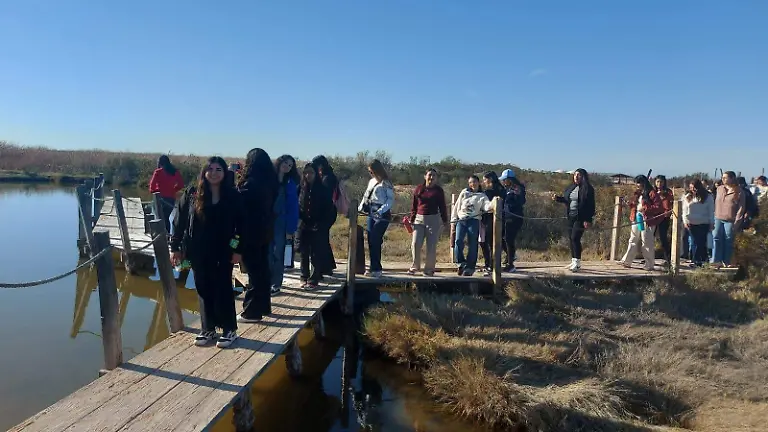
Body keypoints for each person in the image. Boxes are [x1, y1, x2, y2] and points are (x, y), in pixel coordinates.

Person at [171, 157, 243, 348]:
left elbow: (242, 226)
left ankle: (229, 330)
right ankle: (208, 328)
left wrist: (238, 249)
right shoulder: (192, 194)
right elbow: (179, 223)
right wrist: (175, 247)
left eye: (218, 169)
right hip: (197, 250)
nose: (213, 172)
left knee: (223, 289)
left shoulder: (233, 196)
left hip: (223, 251)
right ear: (204, 172)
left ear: (224, 173)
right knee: (203, 289)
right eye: (209, 169)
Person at [237, 148, 278, 323]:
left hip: (250, 232)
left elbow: (239, 204)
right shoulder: (270, 181)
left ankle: (252, 311)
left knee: (254, 272)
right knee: (262, 270)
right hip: (265, 230)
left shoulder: (250, 183)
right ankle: (263, 306)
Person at [297, 164, 334, 289]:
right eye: (306, 173)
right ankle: (304, 276)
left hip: (318, 225)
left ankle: (314, 278)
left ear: (316, 174)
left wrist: (322, 225)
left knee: (316, 253)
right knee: (303, 251)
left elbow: (329, 210)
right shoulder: (301, 188)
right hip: (303, 225)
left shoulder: (323, 190)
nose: (308, 175)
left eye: (311, 173)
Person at [551, 168, 595, 272]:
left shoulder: (588, 189)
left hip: (581, 218)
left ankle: (577, 262)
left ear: (583, 176)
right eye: (575, 175)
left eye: (578, 175)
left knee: (575, 238)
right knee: (571, 238)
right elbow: (567, 200)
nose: (576, 177)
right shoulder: (571, 187)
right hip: (571, 216)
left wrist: (588, 219)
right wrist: (558, 198)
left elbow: (591, 206)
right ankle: (573, 260)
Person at [407, 168, 448, 276]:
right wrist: (412, 218)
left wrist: (445, 221)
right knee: (415, 243)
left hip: (433, 219)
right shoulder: (419, 189)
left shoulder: (438, 190)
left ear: (436, 178)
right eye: (429, 175)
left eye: (434, 175)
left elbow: (442, 207)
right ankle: (415, 266)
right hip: (419, 219)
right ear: (425, 176)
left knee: (431, 245)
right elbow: (414, 205)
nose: (431, 177)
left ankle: (429, 269)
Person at [619, 175, 664, 271]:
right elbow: (634, 204)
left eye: (638, 183)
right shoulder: (638, 193)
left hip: (647, 220)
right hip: (636, 217)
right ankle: (627, 261)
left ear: (643, 183)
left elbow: (659, 207)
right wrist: (629, 203)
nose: (637, 185)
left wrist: (645, 209)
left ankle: (649, 264)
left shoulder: (652, 193)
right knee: (633, 239)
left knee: (646, 241)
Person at [358, 159, 395, 277]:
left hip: (382, 213)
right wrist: (359, 209)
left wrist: (381, 210)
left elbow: (390, 200)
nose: (371, 174)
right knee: (370, 239)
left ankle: (377, 269)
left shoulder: (386, 183)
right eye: (369, 172)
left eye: (372, 171)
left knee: (375, 238)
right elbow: (366, 196)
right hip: (371, 211)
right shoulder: (371, 182)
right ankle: (373, 267)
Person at [270, 155, 300, 295]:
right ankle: (266, 281)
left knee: (278, 254)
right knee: (267, 252)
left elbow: (293, 207)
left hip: (282, 222)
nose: (287, 166)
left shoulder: (290, 183)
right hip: (267, 221)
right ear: (279, 162)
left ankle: (276, 284)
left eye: (290, 165)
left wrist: (291, 229)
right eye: (285, 163)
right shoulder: (269, 179)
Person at [451, 175, 493, 276]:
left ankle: (470, 266)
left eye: (474, 182)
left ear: (478, 183)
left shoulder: (482, 196)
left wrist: (493, 204)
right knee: (458, 240)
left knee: (473, 243)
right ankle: (461, 263)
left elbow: (487, 205)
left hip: (474, 220)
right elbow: (457, 206)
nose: (472, 184)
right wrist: (453, 220)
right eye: (470, 182)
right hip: (462, 219)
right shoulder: (464, 192)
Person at [311, 155, 339, 276]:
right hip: (329, 212)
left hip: (326, 213)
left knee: (320, 240)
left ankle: (325, 267)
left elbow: (326, 198)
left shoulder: (327, 178)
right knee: (323, 239)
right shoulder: (329, 176)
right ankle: (327, 266)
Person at [712, 171, 746, 268]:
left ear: (732, 178)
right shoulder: (719, 189)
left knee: (728, 239)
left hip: (730, 219)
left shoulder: (739, 191)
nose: (723, 179)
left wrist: (737, 221)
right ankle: (716, 261)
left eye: (726, 177)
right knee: (716, 238)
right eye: (722, 177)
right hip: (718, 217)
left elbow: (741, 208)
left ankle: (727, 261)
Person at [682, 179, 714, 267]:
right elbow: (684, 210)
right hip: (691, 222)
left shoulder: (708, 196)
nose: (693, 190)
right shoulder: (688, 196)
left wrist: (712, 222)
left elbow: (711, 210)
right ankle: (695, 260)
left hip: (704, 222)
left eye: (694, 188)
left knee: (701, 242)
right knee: (694, 242)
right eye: (691, 188)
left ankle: (700, 260)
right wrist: (685, 221)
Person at [149, 155, 184, 233]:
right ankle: (168, 236)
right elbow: (181, 185)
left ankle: (160, 235)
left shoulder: (158, 172)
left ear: (160, 162)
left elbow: (151, 188)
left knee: (158, 218)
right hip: (171, 199)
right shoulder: (175, 171)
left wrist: (158, 190)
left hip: (159, 199)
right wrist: (173, 190)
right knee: (167, 218)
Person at [499, 169, 526, 273]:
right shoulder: (505, 189)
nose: (503, 182)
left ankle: (511, 265)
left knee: (509, 239)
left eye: (504, 180)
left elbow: (521, 201)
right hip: (506, 217)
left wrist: (514, 196)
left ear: (509, 179)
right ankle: (511, 256)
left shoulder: (518, 188)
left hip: (515, 217)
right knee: (502, 238)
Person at [480, 171, 506, 276]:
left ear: (490, 179)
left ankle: (490, 265)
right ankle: (491, 264)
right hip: (499, 218)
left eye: (485, 179)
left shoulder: (489, 191)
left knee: (488, 242)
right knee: (492, 242)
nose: (484, 181)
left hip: (490, 219)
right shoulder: (502, 189)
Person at [653, 175, 674, 265]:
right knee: (650, 237)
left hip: (664, 217)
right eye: (657, 182)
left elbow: (671, 203)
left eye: (661, 182)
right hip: (653, 217)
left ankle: (668, 258)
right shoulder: (652, 192)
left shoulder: (668, 192)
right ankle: (649, 257)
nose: (659, 184)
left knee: (663, 238)